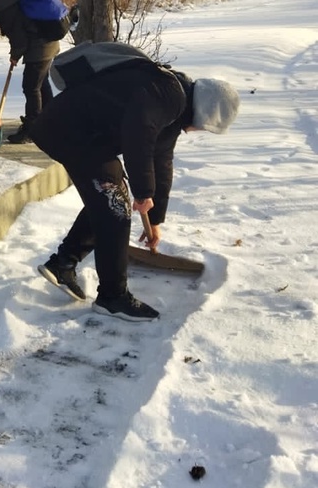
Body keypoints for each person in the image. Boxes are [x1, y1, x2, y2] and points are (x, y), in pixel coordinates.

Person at [30, 48, 240, 320]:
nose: (200, 131)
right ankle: (112, 297)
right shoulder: (168, 94)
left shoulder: (173, 105)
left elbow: (160, 160)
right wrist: (143, 192)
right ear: (205, 111)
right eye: (207, 126)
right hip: (68, 131)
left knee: (110, 198)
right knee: (114, 205)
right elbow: (137, 133)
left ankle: (63, 263)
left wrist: (154, 219)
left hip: (80, 135)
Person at [0, 0, 71, 143]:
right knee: (41, 83)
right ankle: (51, 121)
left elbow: (19, 39)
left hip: (40, 47)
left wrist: (14, 55)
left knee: (31, 87)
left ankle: (33, 129)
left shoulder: (5, 9)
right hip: (47, 43)